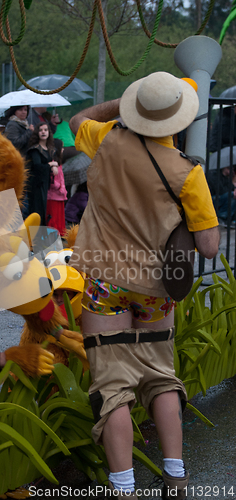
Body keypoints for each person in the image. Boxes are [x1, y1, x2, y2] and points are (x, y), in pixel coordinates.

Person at [69, 71, 220, 499]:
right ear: (180, 121)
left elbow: (77, 119)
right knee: (160, 377)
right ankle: (176, 478)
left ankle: (123, 488)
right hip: (156, 290)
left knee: (112, 385)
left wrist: (122, 105)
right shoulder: (187, 174)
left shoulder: (107, 140)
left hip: (104, 282)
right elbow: (209, 247)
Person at [26, 123, 58, 226]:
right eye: (40, 130)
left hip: (44, 183)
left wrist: (52, 166)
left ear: (49, 132)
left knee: (43, 210)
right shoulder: (35, 149)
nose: (43, 132)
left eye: (45, 130)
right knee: (37, 211)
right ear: (37, 133)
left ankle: (40, 236)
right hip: (36, 184)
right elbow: (38, 167)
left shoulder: (48, 149)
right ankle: (34, 238)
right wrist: (51, 164)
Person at [206, 146, 236, 224]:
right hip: (212, 198)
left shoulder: (226, 177)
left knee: (233, 195)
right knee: (231, 195)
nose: (231, 171)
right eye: (230, 169)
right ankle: (222, 217)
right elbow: (220, 190)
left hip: (221, 197)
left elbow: (231, 188)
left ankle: (230, 218)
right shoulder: (213, 174)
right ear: (225, 168)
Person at [46, 138, 67, 236]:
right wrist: (60, 188)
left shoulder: (59, 164)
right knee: (54, 216)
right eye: (62, 147)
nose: (63, 149)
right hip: (54, 195)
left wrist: (63, 188)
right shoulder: (53, 163)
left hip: (59, 195)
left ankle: (58, 233)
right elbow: (52, 181)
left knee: (58, 216)